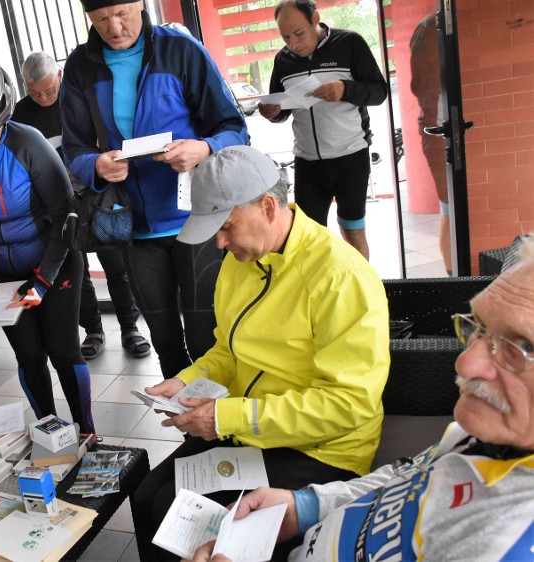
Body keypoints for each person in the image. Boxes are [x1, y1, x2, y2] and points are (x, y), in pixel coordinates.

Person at [189, 240, 534, 562]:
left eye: (522, 347)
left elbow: (346, 404)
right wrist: (304, 506)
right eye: (479, 329)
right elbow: (406, 477)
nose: (465, 362)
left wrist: (227, 416)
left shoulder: (502, 545)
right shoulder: (485, 436)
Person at [131, 146, 390, 560]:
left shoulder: (340, 276)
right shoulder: (241, 259)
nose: (219, 242)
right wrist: (185, 379)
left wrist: (225, 417)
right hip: (253, 427)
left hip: (321, 449)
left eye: (227, 226)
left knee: (172, 510)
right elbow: (228, 350)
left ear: (268, 207)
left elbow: (349, 405)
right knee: (144, 495)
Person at [61, 0, 249, 379]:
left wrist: (203, 148)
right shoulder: (81, 66)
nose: (113, 27)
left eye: (123, 15)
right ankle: (186, 425)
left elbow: (234, 127)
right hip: (136, 226)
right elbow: (74, 148)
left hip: (196, 219)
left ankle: (218, 421)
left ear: (140, 6)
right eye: (100, 19)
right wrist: (96, 166)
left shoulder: (180, 50)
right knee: (164, 339)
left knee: (204, 337)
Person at [0, 60, 95, 433]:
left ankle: (86, 431)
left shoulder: (29, 143)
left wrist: (42, 281)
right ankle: (51, 434)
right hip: (0, 268)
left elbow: (64, 215)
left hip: (53, 259)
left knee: (63, 350)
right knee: (29, 356)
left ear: (5, 119)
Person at [11, 50, 151, 360]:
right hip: (55, 202)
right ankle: (94, 330)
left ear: (60, 76)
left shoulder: (78, 98)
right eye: (35, 92)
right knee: (77, 268)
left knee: (116, 260)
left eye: (48, 89)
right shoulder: (20, 116)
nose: (43, 97)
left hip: (99, 192)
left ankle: (130, 328)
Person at [258, 0, 387, 260]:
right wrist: (272, 112)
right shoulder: (283, 60)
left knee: (352, 231)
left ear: (315, 18)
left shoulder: (350, 44)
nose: (293, 43)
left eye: (298, 34)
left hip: (350, 156)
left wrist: (345, 90)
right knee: (309, 237)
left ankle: (361, 294)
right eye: (285, 37)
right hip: (308, 162)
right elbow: (281, 107)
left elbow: (379, 92)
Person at [410, 13, 452, 275]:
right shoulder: (434, 26)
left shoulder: (425, 27)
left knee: (449, 210)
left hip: (437, 130)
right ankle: (455, 278)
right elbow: (426, 87)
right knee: (450, 209)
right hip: (441, 132)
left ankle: (454, 277)